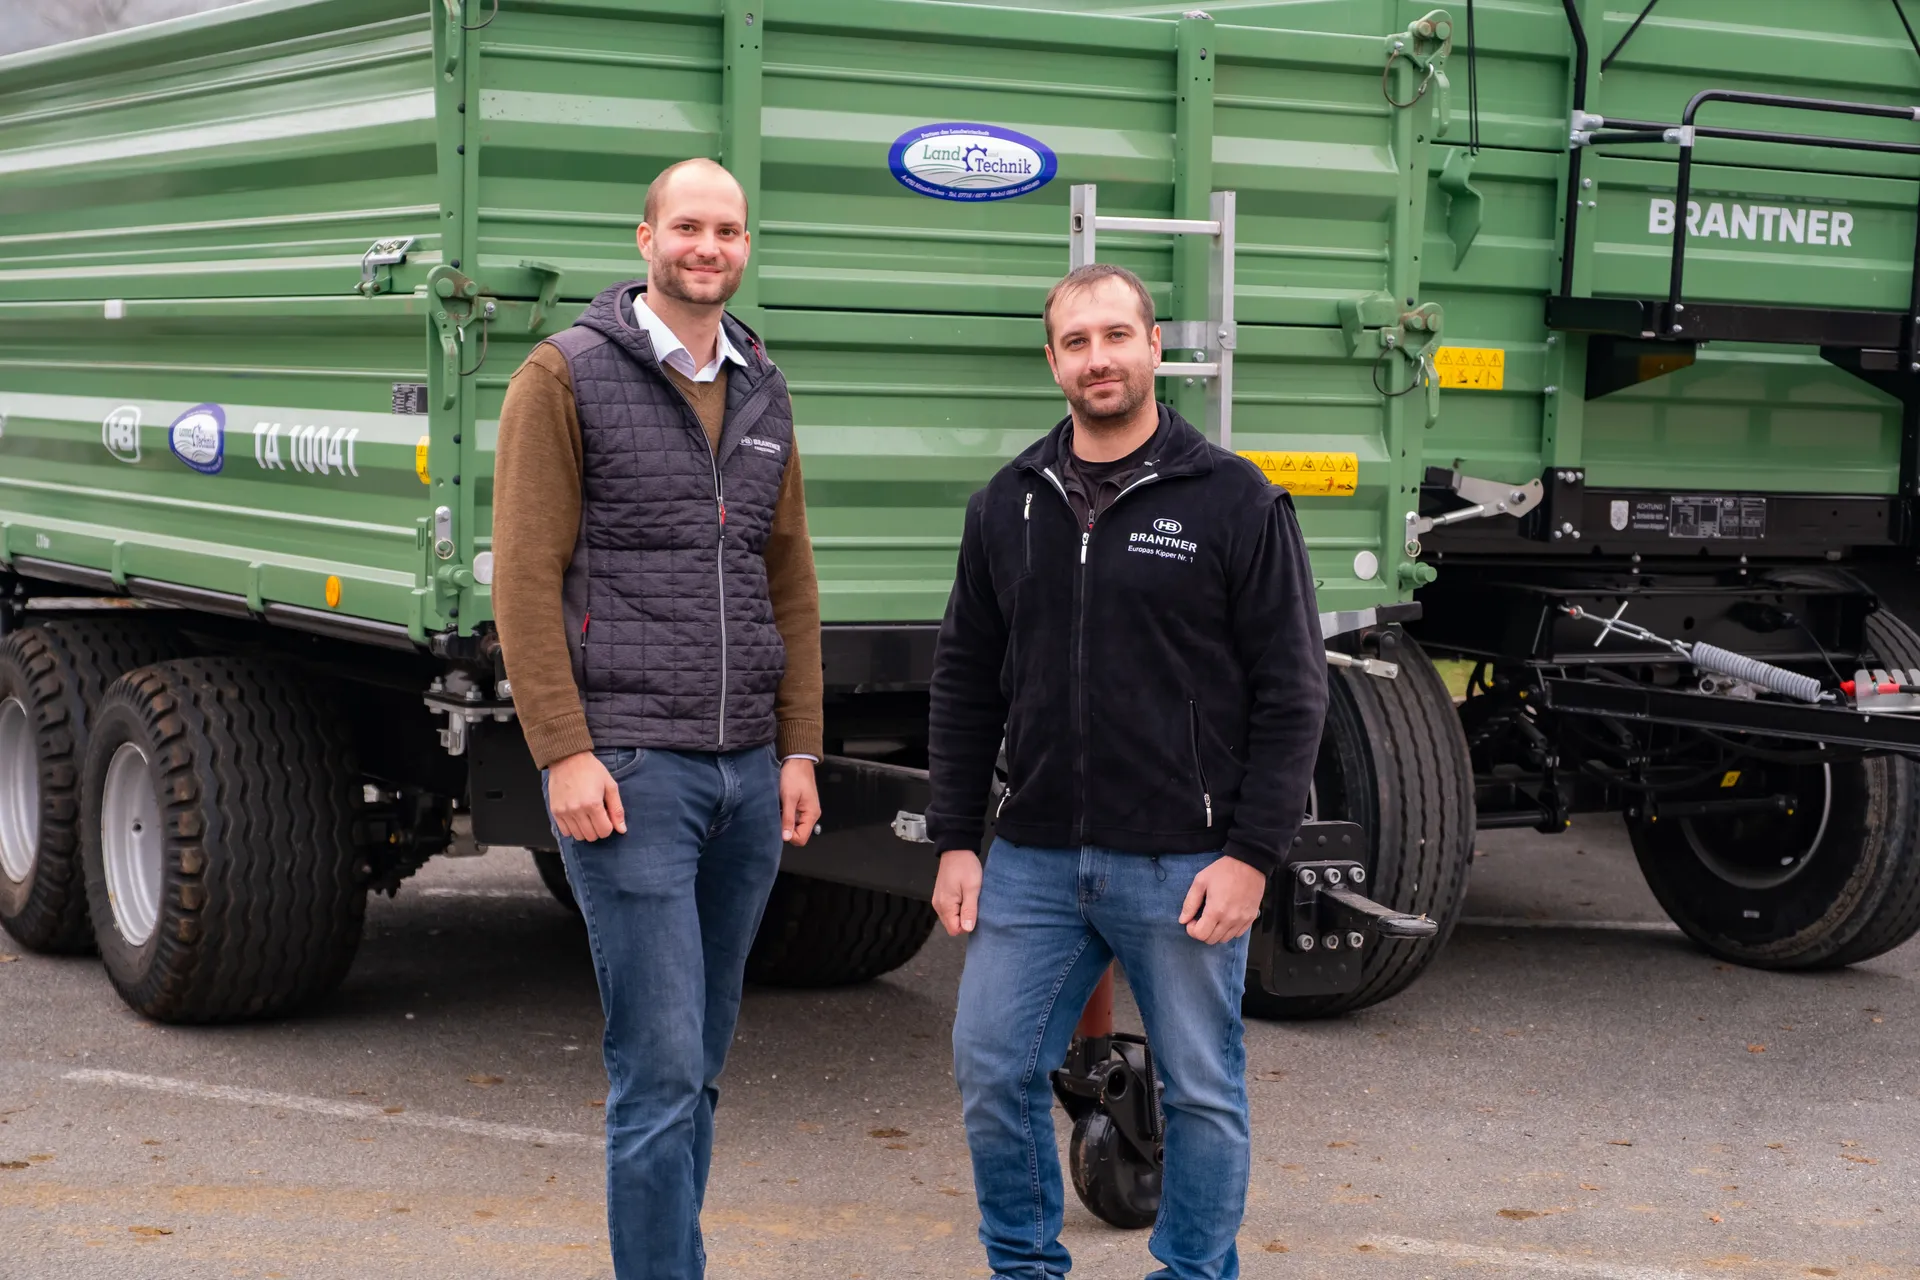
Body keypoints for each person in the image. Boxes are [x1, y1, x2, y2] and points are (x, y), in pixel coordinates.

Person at [926, 263, 1328, 1280]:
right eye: (1075, 341)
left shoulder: (1234, 499)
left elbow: (1295, 691)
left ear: (1156, 346)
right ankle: (1023, 1265)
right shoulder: (1009, 504)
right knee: (992, 1069)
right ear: (1052, 359)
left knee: (1201, 1087)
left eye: (1116, 335)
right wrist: (955, 839)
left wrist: (1250, 855)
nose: (1097, 357)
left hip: (1183, 860)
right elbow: (966, 681)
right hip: (1034, 858)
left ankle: (1191, 1270)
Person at [491, 157, 823, 1280]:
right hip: (631, 770)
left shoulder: (763, 382)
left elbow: (792, 580)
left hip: (743, 774)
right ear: (644, 239)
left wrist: (800, 747)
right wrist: (566, 752)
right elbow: (526, 580)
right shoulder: (564, 374)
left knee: (702, 1061)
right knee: (660, 1065)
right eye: (688, 225)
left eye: (728, 229)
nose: (709, 247)